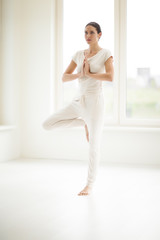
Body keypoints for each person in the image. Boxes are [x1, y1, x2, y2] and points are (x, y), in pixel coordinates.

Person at [43, 22, 114, 196]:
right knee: (48, 124)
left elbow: (110, 76)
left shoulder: (105, 53)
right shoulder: (78, 54)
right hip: (78, 100)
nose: (87, 35)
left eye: (91, 32)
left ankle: (89, 185)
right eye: (85, 32)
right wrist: (80, 74)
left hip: (95, 103)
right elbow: (64, 77)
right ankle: (83, 122)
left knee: (93, 145)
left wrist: (90, 74)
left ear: (99, 34)